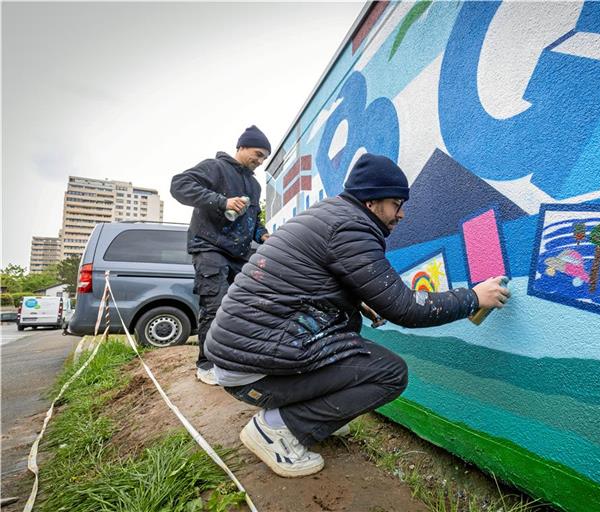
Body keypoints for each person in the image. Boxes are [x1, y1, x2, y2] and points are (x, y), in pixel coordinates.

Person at [205, 153, 510, 477]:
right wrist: (473, 297)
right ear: (371, 202)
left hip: (246, 355)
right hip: (252, 370)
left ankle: (310, 416)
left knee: (350, 341)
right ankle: (277, 428)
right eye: (396, 203)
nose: (401, 214)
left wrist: (352, 301)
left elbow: (305, 284)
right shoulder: (350, 229)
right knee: (389, 372)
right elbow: (405, 308)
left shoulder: (332, 216)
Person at [170, 125, 271, 385]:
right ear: (241, 147)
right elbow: (179, 185)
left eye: (263, 158)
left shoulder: (255, 185)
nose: (259, 162)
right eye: (257, 154)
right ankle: (206, 364)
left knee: (243, 307)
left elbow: (253, 219)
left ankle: (235, 360)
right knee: (214, 306)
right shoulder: (214, 167)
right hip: (209, 247)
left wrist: (262, 234)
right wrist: (221, 201)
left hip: (238, 253)